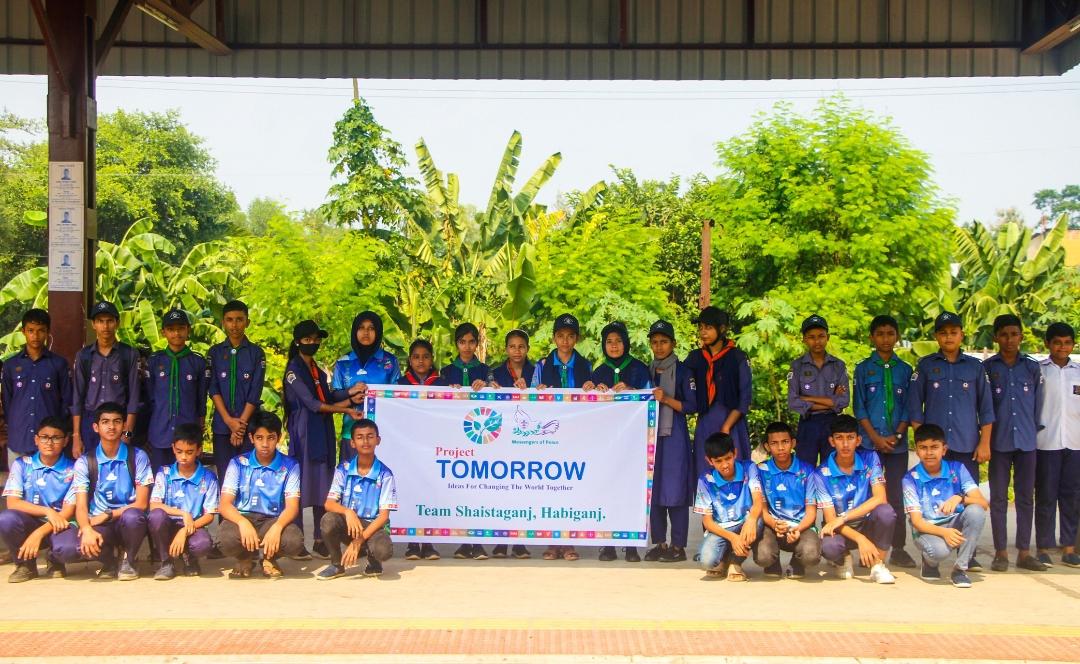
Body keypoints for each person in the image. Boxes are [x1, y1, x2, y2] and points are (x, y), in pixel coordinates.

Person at [908, 311, 995, 570]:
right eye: (943, 332)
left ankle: (968, 554)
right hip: (935, 449)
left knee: (968, 501)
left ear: (961, 335)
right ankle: (930, 553)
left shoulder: (975, 367)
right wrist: (924, 444)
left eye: (953, 332)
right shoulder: (925, 366)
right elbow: (915, 408)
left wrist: (984, 442)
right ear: (936, 336)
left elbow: (986, 409)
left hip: (966, 444)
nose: (948, 337)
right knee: (932, 499)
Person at [283, 320, 365, 560]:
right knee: (300, 486)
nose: (313, 343)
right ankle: (296, 540)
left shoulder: (316, 370)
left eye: (316, 339)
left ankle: (321, 540)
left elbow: (328, 397)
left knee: (323, 486)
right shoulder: (293, 371)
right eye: (307, 340)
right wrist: (347, 409)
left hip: (323, 431)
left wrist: (351, 394)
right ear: (298, 342)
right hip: (305, 433)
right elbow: (312, 404)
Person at [52, 402, 152, 580]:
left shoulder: (138, 456)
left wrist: (108, 514)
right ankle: (109, 562)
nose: (111, 426)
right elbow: (81, 505)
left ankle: (129, 559)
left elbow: (142, 503)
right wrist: (86, 528)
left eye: (117, 421)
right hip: (98, 522)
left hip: (127, 521)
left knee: (134, 517)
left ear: (124, 426)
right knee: (69, 548)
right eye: (105, 422)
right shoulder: (85, 461)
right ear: (96, 427)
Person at [852, 314, 916, 569]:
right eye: (880, 334)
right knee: (869, 496)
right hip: (870, 445)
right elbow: (859, 408)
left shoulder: (906, 370)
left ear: (897, 336)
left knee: (897, 496)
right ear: (872, 337)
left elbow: (909, 407)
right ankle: (868, 548)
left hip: (897, 445)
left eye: (890, 334)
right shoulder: (863, 369)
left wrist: (897, 434)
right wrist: (876, 438)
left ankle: (898, 548)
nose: (885, 339)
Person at [984, 313, 1046, 573]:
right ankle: (1000, 553)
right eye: (1004, 335)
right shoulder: (988, 368)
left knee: (1025, 498)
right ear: (996, 337)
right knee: (998, 498)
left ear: (1021, 336)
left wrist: (1032, 430)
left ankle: (1024, 552)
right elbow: (984, 406)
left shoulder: (1031, 367)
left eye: (1014, 334)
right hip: (998, 442)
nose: (1009, 340)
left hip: (1026, 442)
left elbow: (1039, 404)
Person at [588, 321, 651, 563]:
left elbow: (649, 399)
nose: (614, 346)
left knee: (632, 492)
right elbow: (591, 406)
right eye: (609, 342)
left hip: (634, 443)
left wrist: (632, 389)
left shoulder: (640, 369)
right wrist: (596, 391)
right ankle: (608, 545)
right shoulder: (598, 372)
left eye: (618, 341)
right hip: (607, 443)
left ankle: (631, 546)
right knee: (608, 490)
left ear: (626, 343)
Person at [531, 313, 593, 562]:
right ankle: (552, 543)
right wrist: (538, 392)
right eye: (560, 336)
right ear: (554, 338)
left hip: (576, 435)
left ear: (576, 339)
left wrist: (591, 389)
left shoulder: (586, 365)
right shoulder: (542, 365)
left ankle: (568, 542)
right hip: (549, 436)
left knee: (571, 487)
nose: (565, 341)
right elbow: (531, 397)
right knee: (551, 487)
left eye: (570, 336)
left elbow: (594, 396)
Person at [217, 410, 305, 578]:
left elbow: (292, 507)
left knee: (294, 541)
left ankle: (269, 558)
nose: (265, 444)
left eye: (271, 438)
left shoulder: (290, 465)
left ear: (279, 438)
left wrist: (278, 527)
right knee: (224, 539)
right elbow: (225, 505)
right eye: (259, 438)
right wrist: (242, 522)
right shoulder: (238, 463)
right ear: (251, 438)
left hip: (272, 519)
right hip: (243, 516)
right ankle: (245, 558)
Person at [903, 424, 988, 588]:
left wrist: (960, 498)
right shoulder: (910, 479)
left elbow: (983, 503)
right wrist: (945, 532)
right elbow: (917, 522)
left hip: (954, 522)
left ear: (944, 449)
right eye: (923, 448)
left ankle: (960, 569)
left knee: (976, 512)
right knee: (939, 552)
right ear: (917, 451)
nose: (929, 453)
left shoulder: (957, 469)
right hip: (927, 528)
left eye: (934, 447)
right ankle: (929, 562)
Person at [815, 414, 897, 584]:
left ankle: (877, 565)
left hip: (864, 522)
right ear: (831, 441)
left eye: (850, 438)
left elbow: (880, 498)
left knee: (886, 512)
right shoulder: (821, 473)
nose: (845, 444)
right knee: (829, 547)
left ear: (858, 440)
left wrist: (844, 517)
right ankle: (844, 558)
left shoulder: (870, 458)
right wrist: (861, 539)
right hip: (840, 528)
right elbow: (831, 520)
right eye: (839, 438)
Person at [643, 320, 698, 564]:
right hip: (649, 435)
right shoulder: (646, 370)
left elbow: (692, 406)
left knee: (675, 491)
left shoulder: (684, 372)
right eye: (654, 342)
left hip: (674, 433)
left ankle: (678, 546)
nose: (659, 346)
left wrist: (665, 399)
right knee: (653, 489)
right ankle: (659, 543)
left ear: (673, 343)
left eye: (664, 341)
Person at [318, 419, 396, 579]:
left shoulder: (385, 474)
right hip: (350, 524)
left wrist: (358, 540)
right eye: (360, 437)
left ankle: (374, 561)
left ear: (378, 440)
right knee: (328, 520)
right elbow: (329, 503)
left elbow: (383, 516)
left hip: (372, 526)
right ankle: (336, 564)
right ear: (352, 443)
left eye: (370, 436)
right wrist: (348, 512)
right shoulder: (343, 469)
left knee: (383, 550)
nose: (365, 441)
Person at [0, 416, 75, 583]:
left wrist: (39, 533)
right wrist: (47, 511)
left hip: (61, 524)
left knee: (69, 549)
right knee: (6, 519)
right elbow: (13, 503)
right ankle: (25, 565)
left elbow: (69, 511)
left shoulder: (74, 468)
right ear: (36, 439)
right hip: (31, 522)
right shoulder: (22, 464)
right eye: (44, 437)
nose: (49, 442)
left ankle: (54, 559)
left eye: (56, 437)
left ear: (65, 441)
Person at [147, 423, 220, 580]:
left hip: (194, 526)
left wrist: (184, 531)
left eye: (189, 452)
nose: (184, 457)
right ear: (173, 448)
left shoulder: (209, 477)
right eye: (179, 451)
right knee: (156, 516)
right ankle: (166, 562)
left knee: (203, 544)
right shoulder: (164, 472)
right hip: (167, 524)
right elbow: (154, 505)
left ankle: (189, 558)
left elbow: (209, 515)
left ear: (199, 450)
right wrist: (183, 513)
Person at [485, 328, 534, 560]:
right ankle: (501, 542)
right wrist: (490, 389)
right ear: (506, 349)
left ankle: (520, 543)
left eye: (521, 346)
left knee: (524, 491)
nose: (517, 351)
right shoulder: (494, 373)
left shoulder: (537, 371)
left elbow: (547, 395)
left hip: (527, 439)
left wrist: (534, 389)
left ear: (528, 349)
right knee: (503, 489)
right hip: (501, 440)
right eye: (512, 346)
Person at [0, 309, 71, 467]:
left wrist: (58, 430)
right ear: (23, 331)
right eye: (31, 330)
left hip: (49, 441)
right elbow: (7, 401)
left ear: (48, 332)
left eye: (41, 331)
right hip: (19, 438)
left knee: (49, 481)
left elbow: (66, 401)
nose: (35, 336)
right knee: (18, 482)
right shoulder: (11, 365)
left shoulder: (58, 364)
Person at [1035, 322, 1080, 568]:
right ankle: (1043, 547)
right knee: (1046, 497)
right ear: (1048, 344)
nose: (1062, 347)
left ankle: (1069, 548)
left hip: (1075, 443)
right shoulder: (1039, 371)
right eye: (1057, 342)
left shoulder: (1078, 372)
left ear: (1073, 344)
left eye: (1067, 343)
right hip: (1046, 442)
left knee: (1071, 497)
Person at [752, 421, 822, 579]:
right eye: (774, 443)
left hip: (801, 526)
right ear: (767, 446)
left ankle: (797, 563)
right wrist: (774, 524)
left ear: (793, 443)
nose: (780, 447)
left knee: (811, 555)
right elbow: (762, 509)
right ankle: (772, 563)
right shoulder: (760, 470)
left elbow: (811, 512)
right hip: (772, 525)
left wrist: (798, 529)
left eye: (785, 442)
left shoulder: (807, 470)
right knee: (763, 556)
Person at [398, 339, 446, 562]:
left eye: (425, 356)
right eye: (416, 357)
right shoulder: (400, 384)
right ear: (410, 360)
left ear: (431, 359)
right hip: (408, 447)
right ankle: (412, 544)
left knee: (430, 493)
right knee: (411, 492)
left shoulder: (442, 384)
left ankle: (428, 543)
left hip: (433, 448)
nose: (421, 361)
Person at [71, 302, 140, 456]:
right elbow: (77, 398)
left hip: (118, 421)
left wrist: (127, 433)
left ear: (117, 323)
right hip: (90, 421)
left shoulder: (129, 354)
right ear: (93, 324)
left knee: (118, 465)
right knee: (91, 466)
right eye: (100, 321)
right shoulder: (84, 355)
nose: (105, 326)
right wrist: (76, 436)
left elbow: (134, 398)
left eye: (110, 321)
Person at [685, 306, 752, 465]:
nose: (703, 332)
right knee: (706, 469)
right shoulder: (695, 358)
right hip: (706, 423)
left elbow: (745, 397)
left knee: (733, 467)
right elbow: (681, 382)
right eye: (700, 327)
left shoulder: (738, 357)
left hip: (732, 423)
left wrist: (726, 427)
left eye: (708, 327)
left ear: (722, 329)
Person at [207, 300, 266, 481]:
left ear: (247, 322)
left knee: (249, 477)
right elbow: (213, 388)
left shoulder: (256, 353)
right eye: (230, 320)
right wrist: (229, 421)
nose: (234, 325)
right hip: (222, 426)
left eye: (239, 319)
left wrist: (240, 426)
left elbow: (255, 391)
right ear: (223, 323)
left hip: (249, 427)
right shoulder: (214, 353)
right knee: (225, 477)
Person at [144, 309, 208, 471]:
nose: (176, 333)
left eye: (181, 329)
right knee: (160, 477)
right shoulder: (154, 361)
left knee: (187, 476)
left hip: (188, 433)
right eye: (171, 329)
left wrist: (199, 432)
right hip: (159, 432)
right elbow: (148, 398)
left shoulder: (198, 362)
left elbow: (201, 401)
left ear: (188, 330)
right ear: (163, 332)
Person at [332, 311, 401, 464]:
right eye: (361, 328)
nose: (366, 332)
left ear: (378, 332)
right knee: (349, 475)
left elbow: (398, 396)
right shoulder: (343, 363)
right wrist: (351, 395)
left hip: (383, 433)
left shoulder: (390, 361)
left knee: (382, 475)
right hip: (351, 434)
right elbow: (334, 397)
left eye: (371, 328)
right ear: (355, 331)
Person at [694, 432, 762, 581]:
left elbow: (758, 501)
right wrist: (733, 538)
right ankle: (723, 560)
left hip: (745, 522)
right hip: (722, 528)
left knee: (757, 521)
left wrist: (751, 521)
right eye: (718, 461)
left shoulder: (749, 467)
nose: (725, 465)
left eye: (728, 458)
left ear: (735, 453)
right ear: (709, 461)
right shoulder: (705, 480)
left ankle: (735, 563)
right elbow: (707, 521)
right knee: (706, 562)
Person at [788, 315, 850, 467]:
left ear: (828, 337)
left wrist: (808, 399)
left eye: (821, 336)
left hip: (832, 423)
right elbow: (793, 402)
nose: (817, 341)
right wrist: (831, 402)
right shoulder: (797, 366)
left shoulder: (838, 365)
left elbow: (843, 401)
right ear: (804, 339)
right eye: (811, 337)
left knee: (831, 468)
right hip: (808, 424)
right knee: (805, 469)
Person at [441, 322, 490, 392]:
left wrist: (486, 385)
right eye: (462, 342)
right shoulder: (446, 372)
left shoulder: (486, 370)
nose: (467, 347)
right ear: (456, 344)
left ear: (477, 344)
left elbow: (494, 390)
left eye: (471, 342)